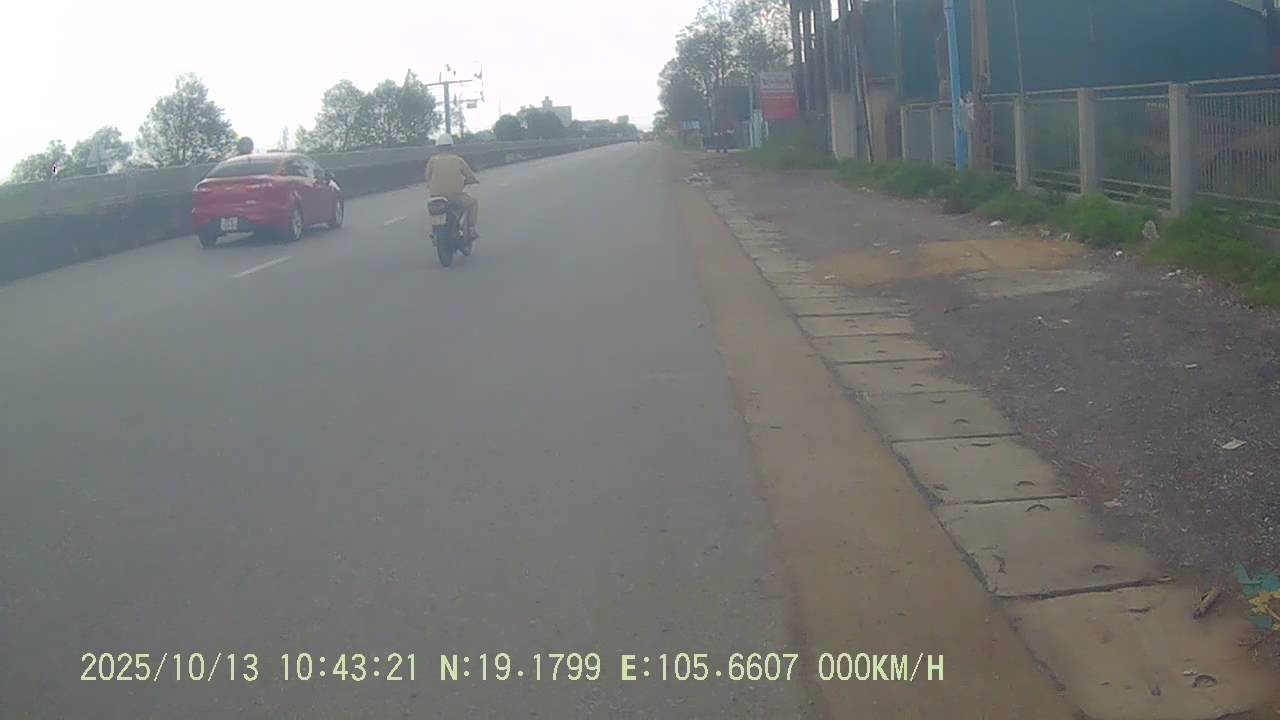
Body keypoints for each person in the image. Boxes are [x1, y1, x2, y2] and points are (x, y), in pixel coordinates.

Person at [424, 134, 479, 241]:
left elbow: (427, 177)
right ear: (451, 147)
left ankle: (435, 232)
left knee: (434, 212)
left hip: (435, 197)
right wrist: (472, 180)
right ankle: (471, 229)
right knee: (473, 203)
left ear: (438, 148)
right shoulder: (458, 160)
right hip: (455, 196)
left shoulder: (432, 160)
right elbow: (470, 176)